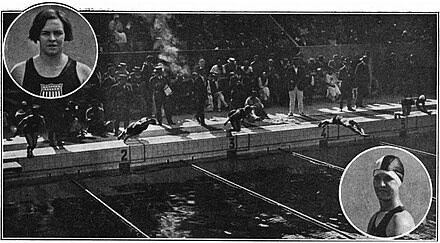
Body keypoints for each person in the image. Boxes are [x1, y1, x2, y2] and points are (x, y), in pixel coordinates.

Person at [10, 8, 91, 97]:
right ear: (38, 35)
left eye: (57, 33)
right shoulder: (19, 72)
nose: (52, 39)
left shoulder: (83, 72)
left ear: (65, 35)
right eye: (45, 33)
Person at [367, 155, 415, 237]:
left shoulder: (400, 219)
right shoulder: (375, 217)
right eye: (377, 178)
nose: (381, 184)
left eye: (388, 178)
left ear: (398, 182)